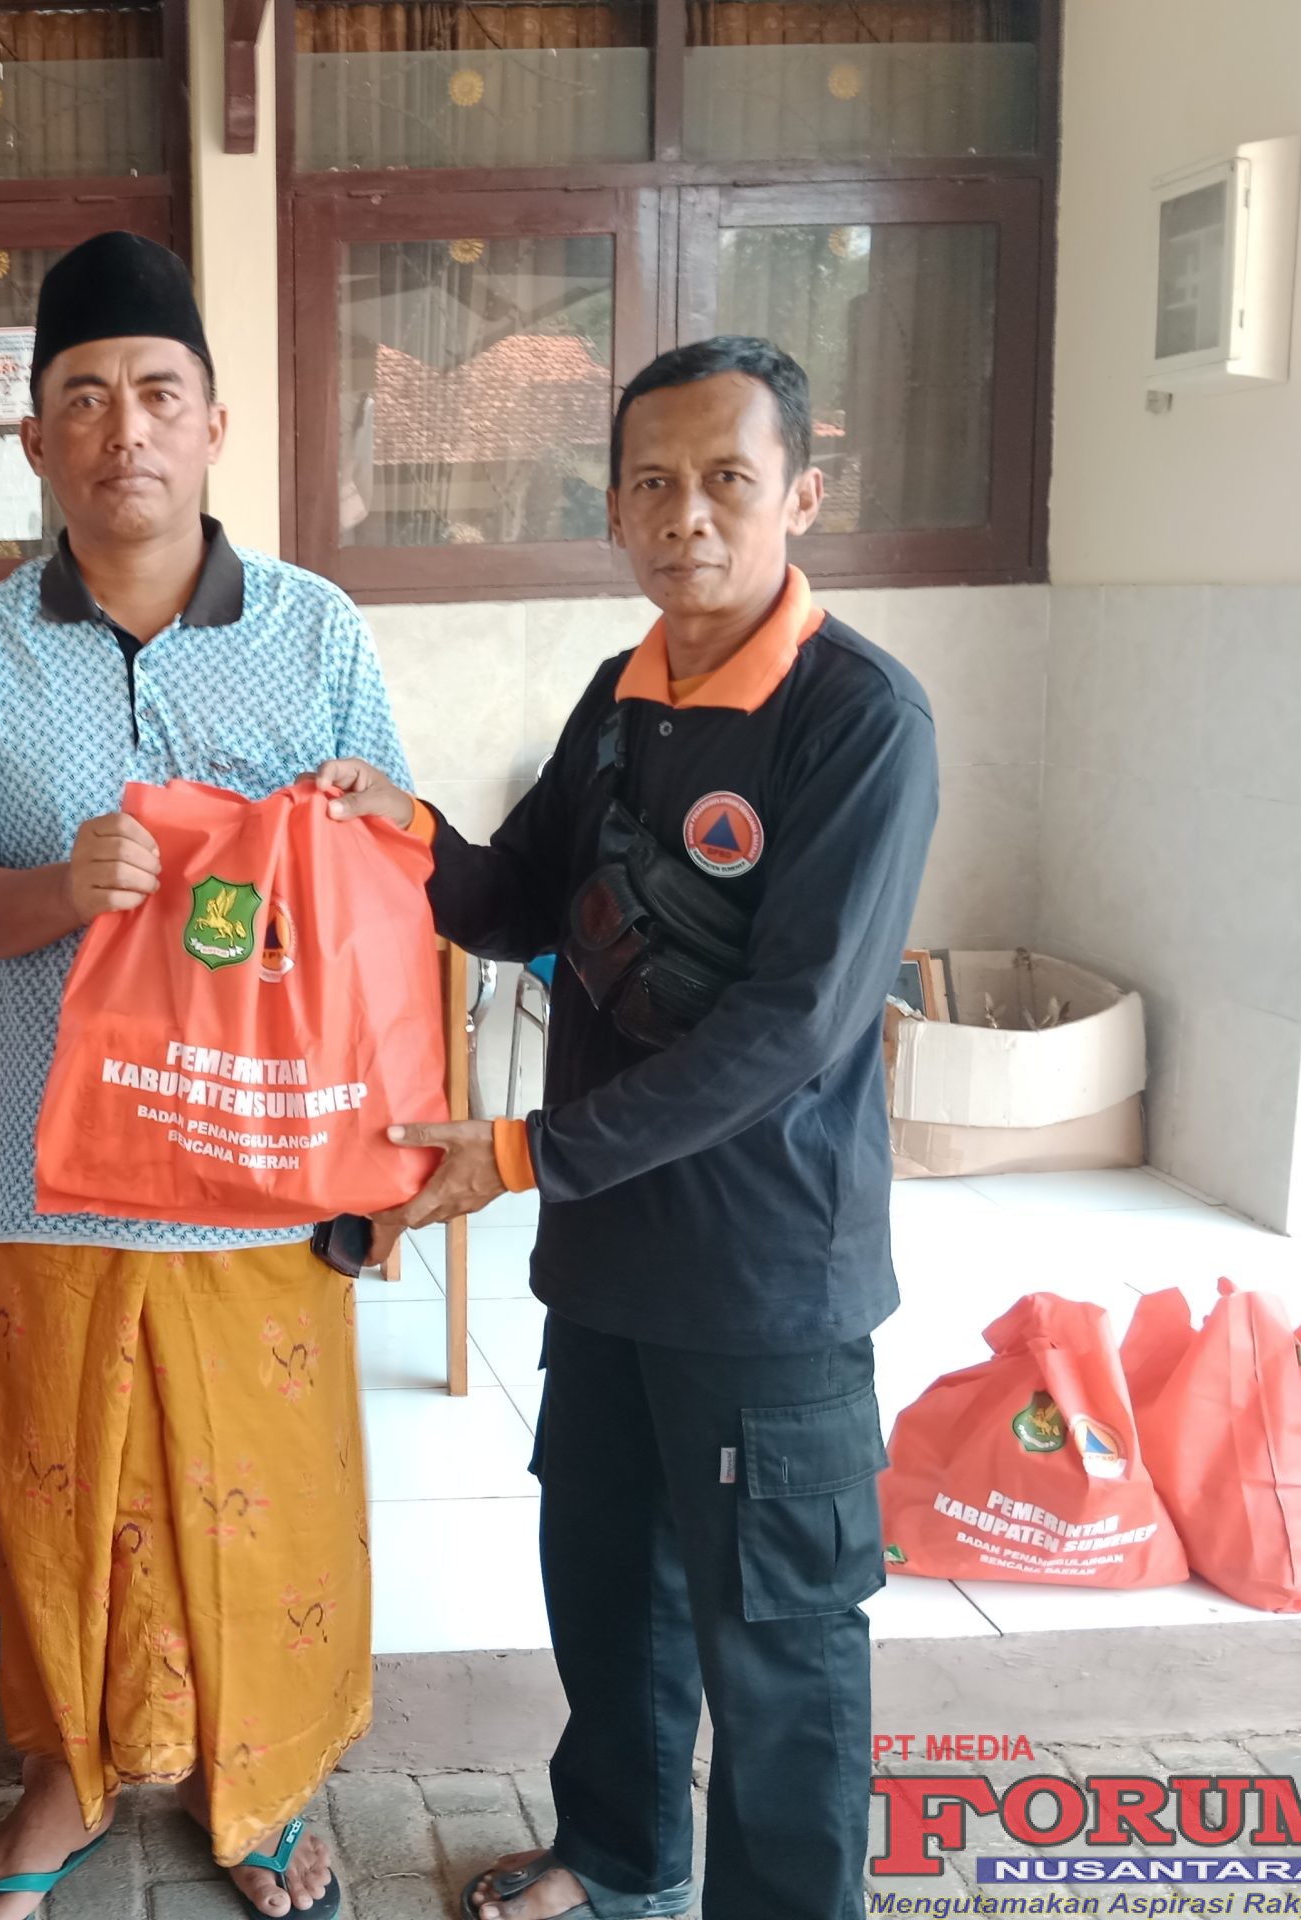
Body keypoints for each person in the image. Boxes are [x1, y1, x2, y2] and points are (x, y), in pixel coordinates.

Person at [318, 337, 939, 1920]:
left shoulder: (859, 717)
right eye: (653, 484)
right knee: (607, 1587)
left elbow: (796, 1027)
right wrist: (407, 834)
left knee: (777, 1639)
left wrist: (524, 1154)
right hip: (608, 1266)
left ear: (801, 493)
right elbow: (519, 898)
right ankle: (614, 1854)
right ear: (612, 508)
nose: (688, 517)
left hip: (763, 1277)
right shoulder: (620, 696)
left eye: (728, 479)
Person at [0, 231, 411, 1920]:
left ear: (216, 425)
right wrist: (60, 891)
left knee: (263, 1502)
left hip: (264, 1168)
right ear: (34, 437)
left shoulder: (316, 629)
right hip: (56, 1171)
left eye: (160, 393)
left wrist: (348, 831)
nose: (127, 428)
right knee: (63, 1493)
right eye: (87, 396)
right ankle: (67, 1773)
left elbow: (392, 881)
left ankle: (260, 1785)